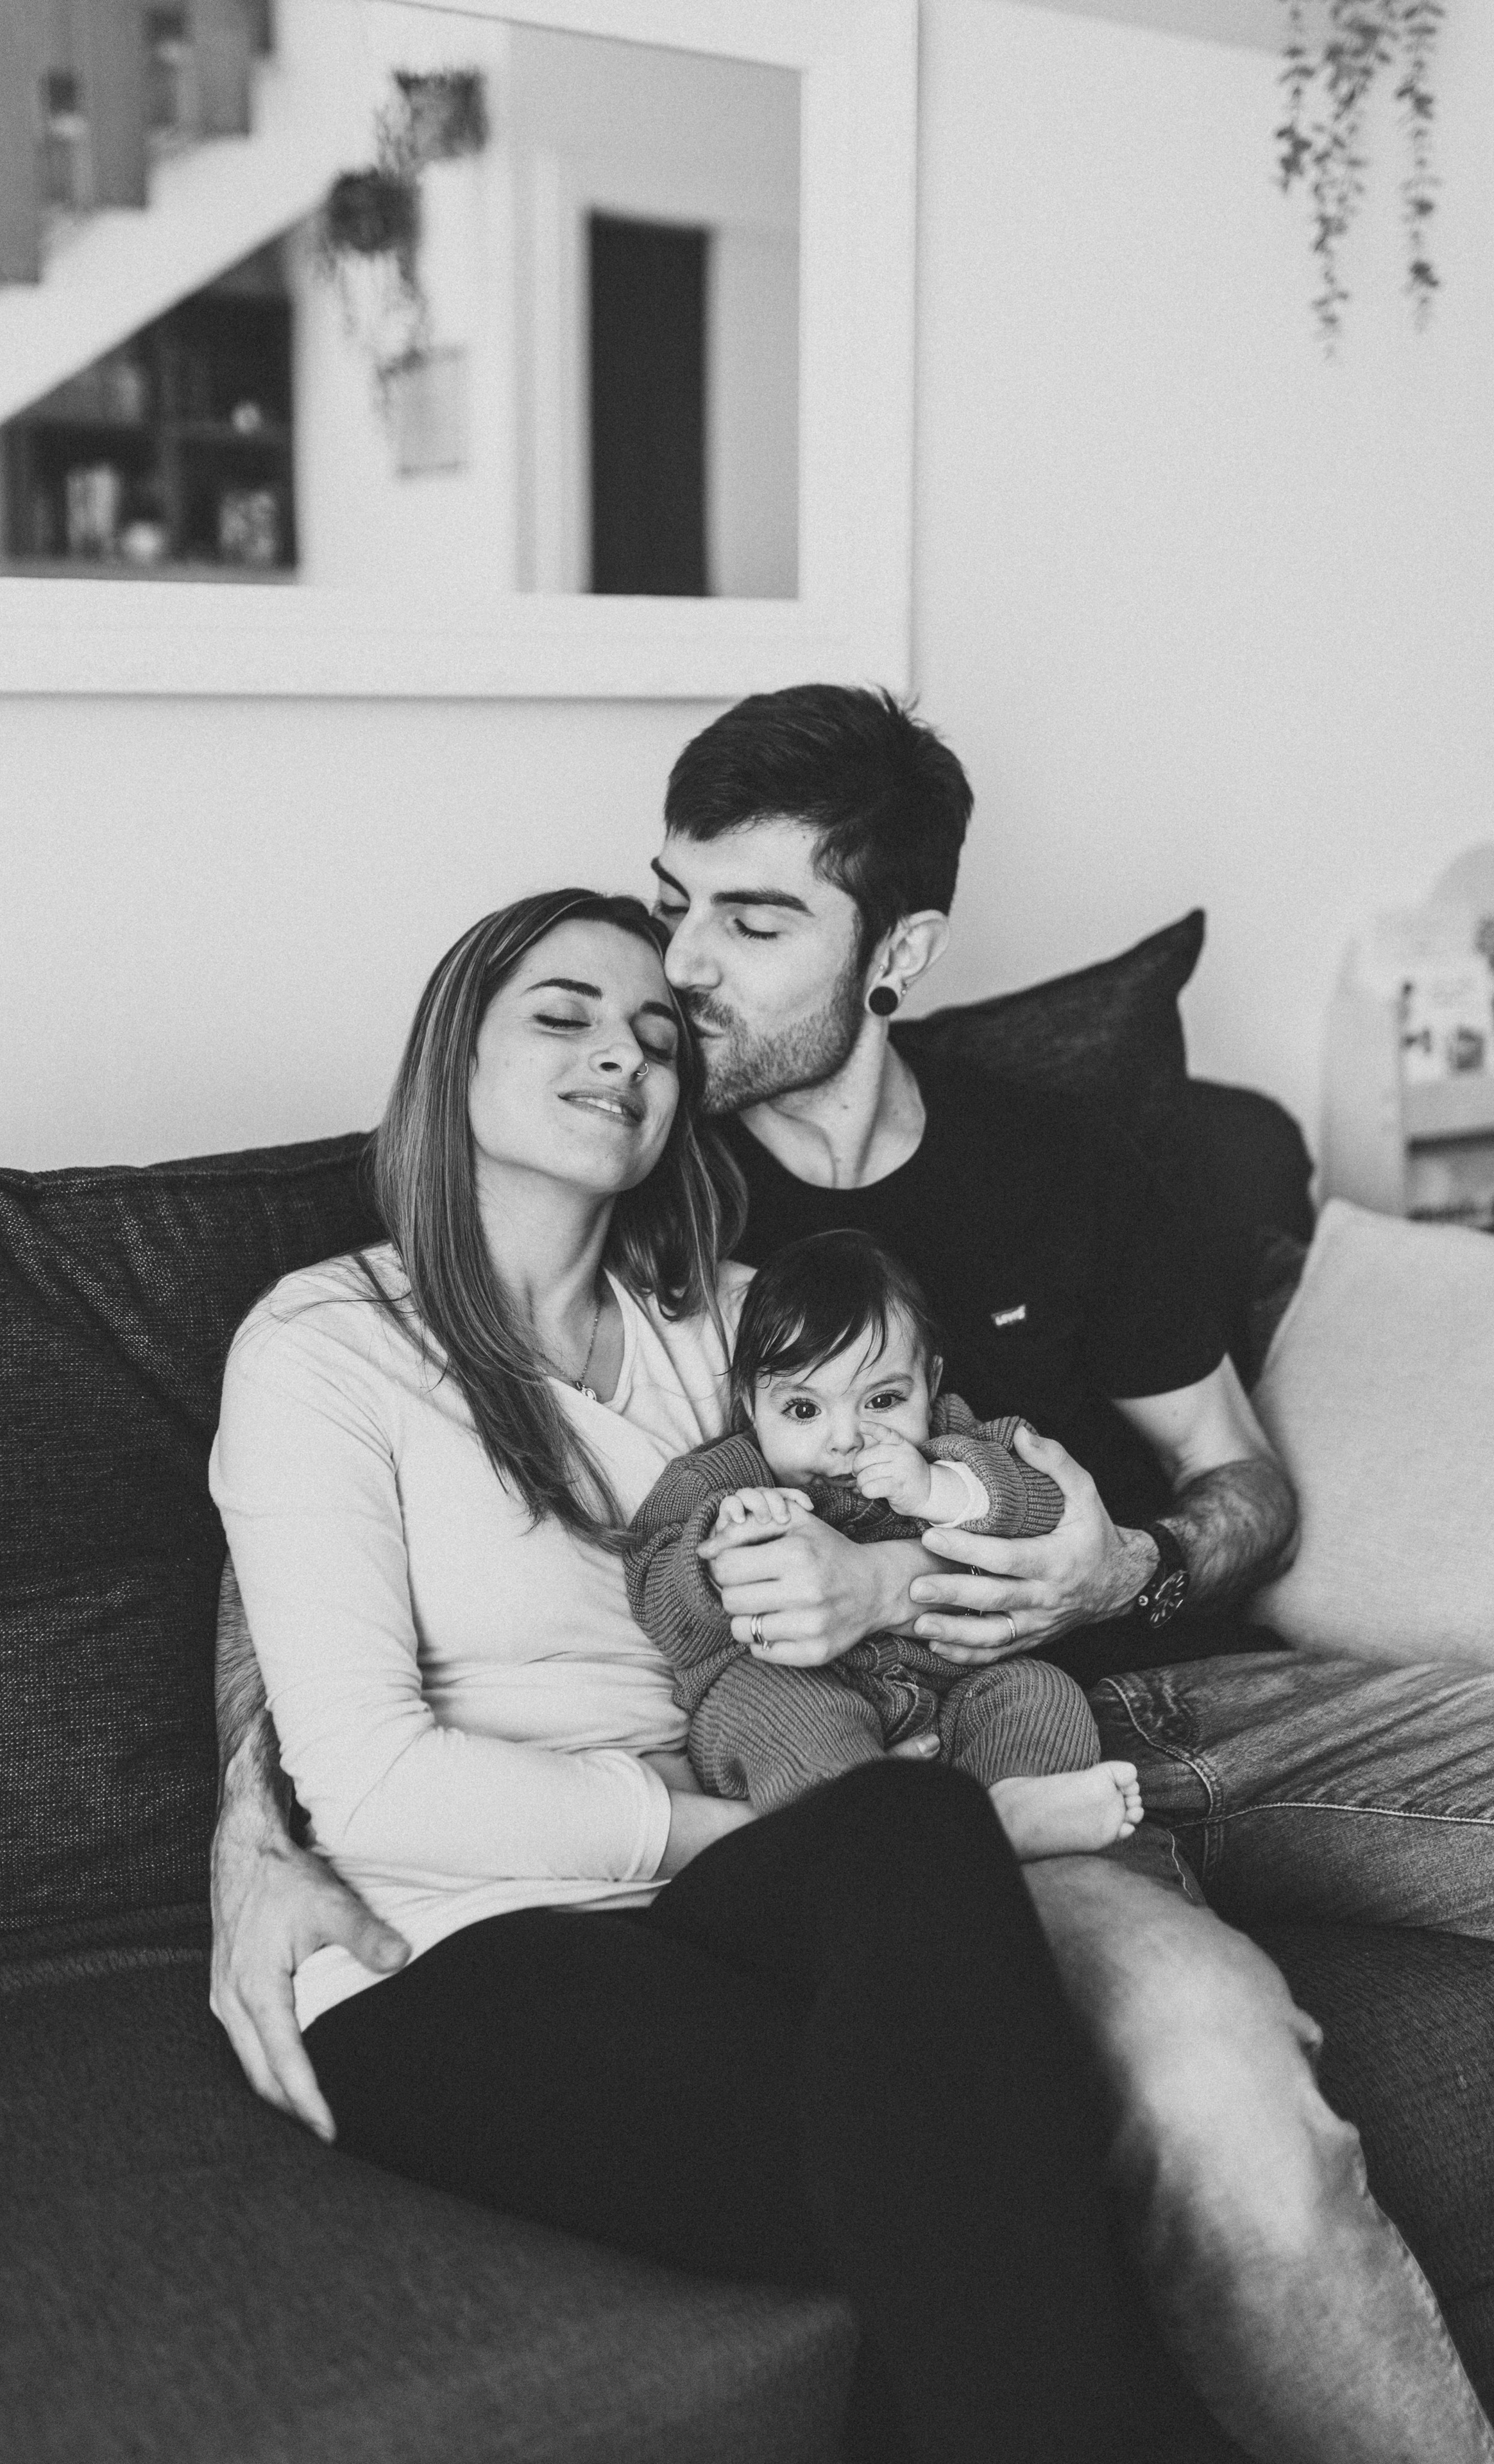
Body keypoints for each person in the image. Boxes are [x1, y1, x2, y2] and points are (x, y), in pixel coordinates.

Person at [207, 689, 1494, 2461]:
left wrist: (1126, 1560)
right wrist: (253, 1832)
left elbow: (1244, 1485)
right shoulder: (652, 1210)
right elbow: (328, 1526)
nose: (677, 979)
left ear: (899, 948)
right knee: (1179, 2084)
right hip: (926, 1771)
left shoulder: (1031, 1173)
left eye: (749, 923)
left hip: (1158, 1690)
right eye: (668, 903)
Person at [207, 885, 1190, 2464]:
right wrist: (712, 1831)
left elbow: (946, 1477)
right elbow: (367, 1779)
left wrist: (1018, 1515)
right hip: (454, 1939)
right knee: (965, 2185)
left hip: (738, 1891)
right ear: (451, 1050)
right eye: (565, 1015)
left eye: (658, 1034)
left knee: (909, 1857)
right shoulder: (324, 1345)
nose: (624, 1054)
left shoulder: (737, 1330)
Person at [625, 1226, 1144, 1857]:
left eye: (882, 1400)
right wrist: (721, 1547)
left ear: (930, 1383)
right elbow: (653, 1593)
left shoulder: (952, 1443)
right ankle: (882, 1842)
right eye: (803, 1410)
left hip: (943, 1696)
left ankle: (1008, 1806)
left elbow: (1046, 1506)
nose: (846, 1439)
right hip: (786, 1689)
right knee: (794, 1718)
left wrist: (942, 1491)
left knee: (1039, 1691)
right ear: (747, 1404)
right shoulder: (723, 1477)